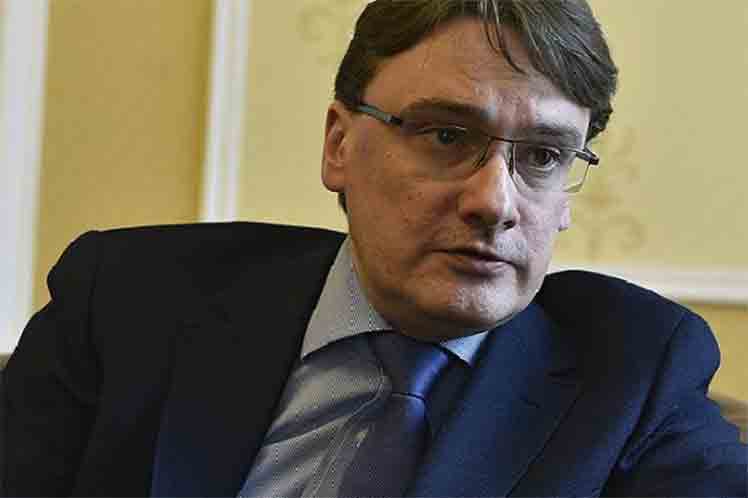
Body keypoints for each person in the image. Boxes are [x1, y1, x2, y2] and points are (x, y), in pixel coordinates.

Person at [3, 1, 746, 496]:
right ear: (338, 145)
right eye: (447, 135)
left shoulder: (632, 369)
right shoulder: (129, 299)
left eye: (544, 157)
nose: (494, 201)